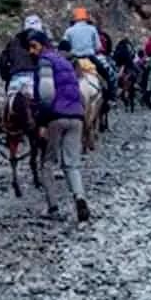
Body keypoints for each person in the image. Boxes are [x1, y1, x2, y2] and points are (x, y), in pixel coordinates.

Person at [30, 32, 89, 223]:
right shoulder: (66, 62)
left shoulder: (45, 61)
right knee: (72, 163)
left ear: (42, 46)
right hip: (76, 116)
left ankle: (53, 207)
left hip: (56, 117)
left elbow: (46, 93)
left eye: (33, 46)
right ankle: (80, 198)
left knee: (47, 163)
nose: (31, 51)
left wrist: (42, 121)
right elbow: (79, 93)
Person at [0, 14, 44, 96]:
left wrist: (6, 76)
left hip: (15, 79)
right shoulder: (41, 42)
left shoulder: (13, 42)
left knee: (10, 105)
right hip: (32, 79)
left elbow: (3, 61)